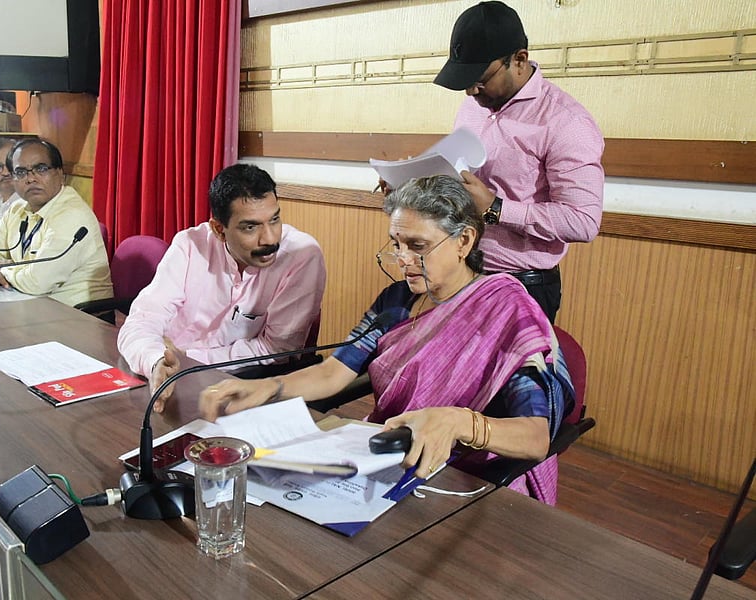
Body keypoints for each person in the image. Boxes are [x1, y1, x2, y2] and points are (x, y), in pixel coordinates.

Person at [200, 175, 574, 504]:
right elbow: (335, 372)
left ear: (464, 241)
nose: (403, 259)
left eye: (418, 246)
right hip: (393, 461)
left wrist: (460, 423)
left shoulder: (507, 309)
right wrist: (267, 387)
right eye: (396, 244)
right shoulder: (397, 302)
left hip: (471, 482)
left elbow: (536, 437)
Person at [433, 1, 605, 323]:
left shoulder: (566, 122)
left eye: (481, 79)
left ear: (519, 59)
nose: (471, 91)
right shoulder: (473, 107)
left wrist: (497, 208)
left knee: (510, 376)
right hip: (461, 272)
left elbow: (583, 220)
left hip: (522, 287)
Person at [118, 163, 326, 411]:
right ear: (219, 229)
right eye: (250, 227)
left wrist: (185, 358)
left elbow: (275, 349)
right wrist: (157, 361)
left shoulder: (301, 255)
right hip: (166, 382)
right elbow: (142, 321)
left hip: (240, 391)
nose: (270, 239)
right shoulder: (190, 245)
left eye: (274, 220)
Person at [0, 138, 113, 307]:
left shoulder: (72, 215)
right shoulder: (17, 209)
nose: (31, 179)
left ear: (60, 173)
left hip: (78, 318)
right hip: (29, 306)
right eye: (21, 172)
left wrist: (2, 270)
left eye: (41, 169)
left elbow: (37, 282)